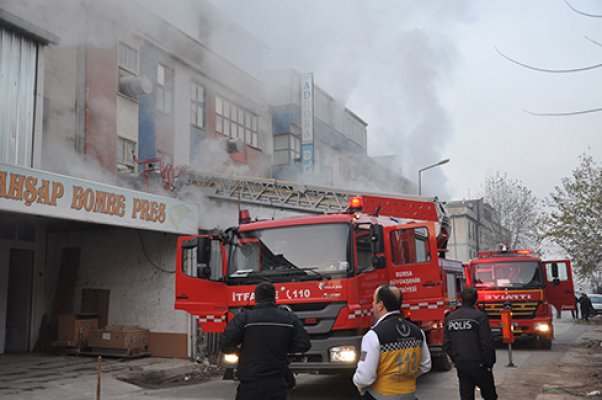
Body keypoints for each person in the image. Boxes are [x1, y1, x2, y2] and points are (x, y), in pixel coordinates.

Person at [219, 282, 311, 400]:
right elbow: (304, 344)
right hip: (277, 381)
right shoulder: (288, 318)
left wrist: (241, 352)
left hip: (251, 382)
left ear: (255, 298)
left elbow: (225, 344)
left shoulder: (245, 318)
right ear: (274, 297)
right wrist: (282, 348)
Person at [353, 284, 431, 400]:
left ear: (380, 306)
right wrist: (404, 377)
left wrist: (356, 380)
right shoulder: (417, 332)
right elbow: (426, 365)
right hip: (410, 395)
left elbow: (365, 377)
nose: (372, 304)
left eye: (374, 301)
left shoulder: (373, 335)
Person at [443, 287, 497, 400]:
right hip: (479, 364)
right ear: (475, 300)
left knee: (466, 396)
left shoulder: (450, 318)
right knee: (489, 395)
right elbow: (487, 342)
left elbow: (447, 344)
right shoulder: (479, 317)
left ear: (461, 299)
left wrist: (456, 360)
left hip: (462, 365)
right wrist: (489, 363)